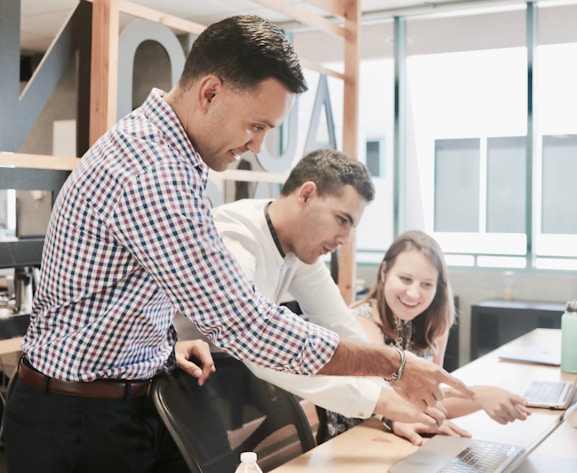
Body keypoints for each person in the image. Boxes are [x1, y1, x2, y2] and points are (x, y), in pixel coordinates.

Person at [4, 15, 475, 473]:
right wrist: (392, 365)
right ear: (210, 92)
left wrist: (164, 346)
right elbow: (245, 323)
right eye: (257, 125)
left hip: (126, 397)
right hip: (75, 422)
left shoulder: (171, 154)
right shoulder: (154, 173)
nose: (257, 146)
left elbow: (120, 290)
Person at [200, 148, 445, 438]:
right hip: (164, 385)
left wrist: (390, 410)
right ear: (306, 194)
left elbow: (340, 325)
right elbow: (259, 342)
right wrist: (383, 399)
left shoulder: (300, 252)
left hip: (211, 383)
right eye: (342, 220)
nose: (345, 239)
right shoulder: (235, 234)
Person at [320, 230, 532, 445]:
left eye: (426, 284)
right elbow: (389, 401)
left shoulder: (436, 324)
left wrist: (482, 399)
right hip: (356, 441)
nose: (413, 293)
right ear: (384, 272)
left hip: (405, 438)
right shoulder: (362, 322)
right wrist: (479, 394)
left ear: (438, 287)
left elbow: (433, 402)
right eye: (405, 279)